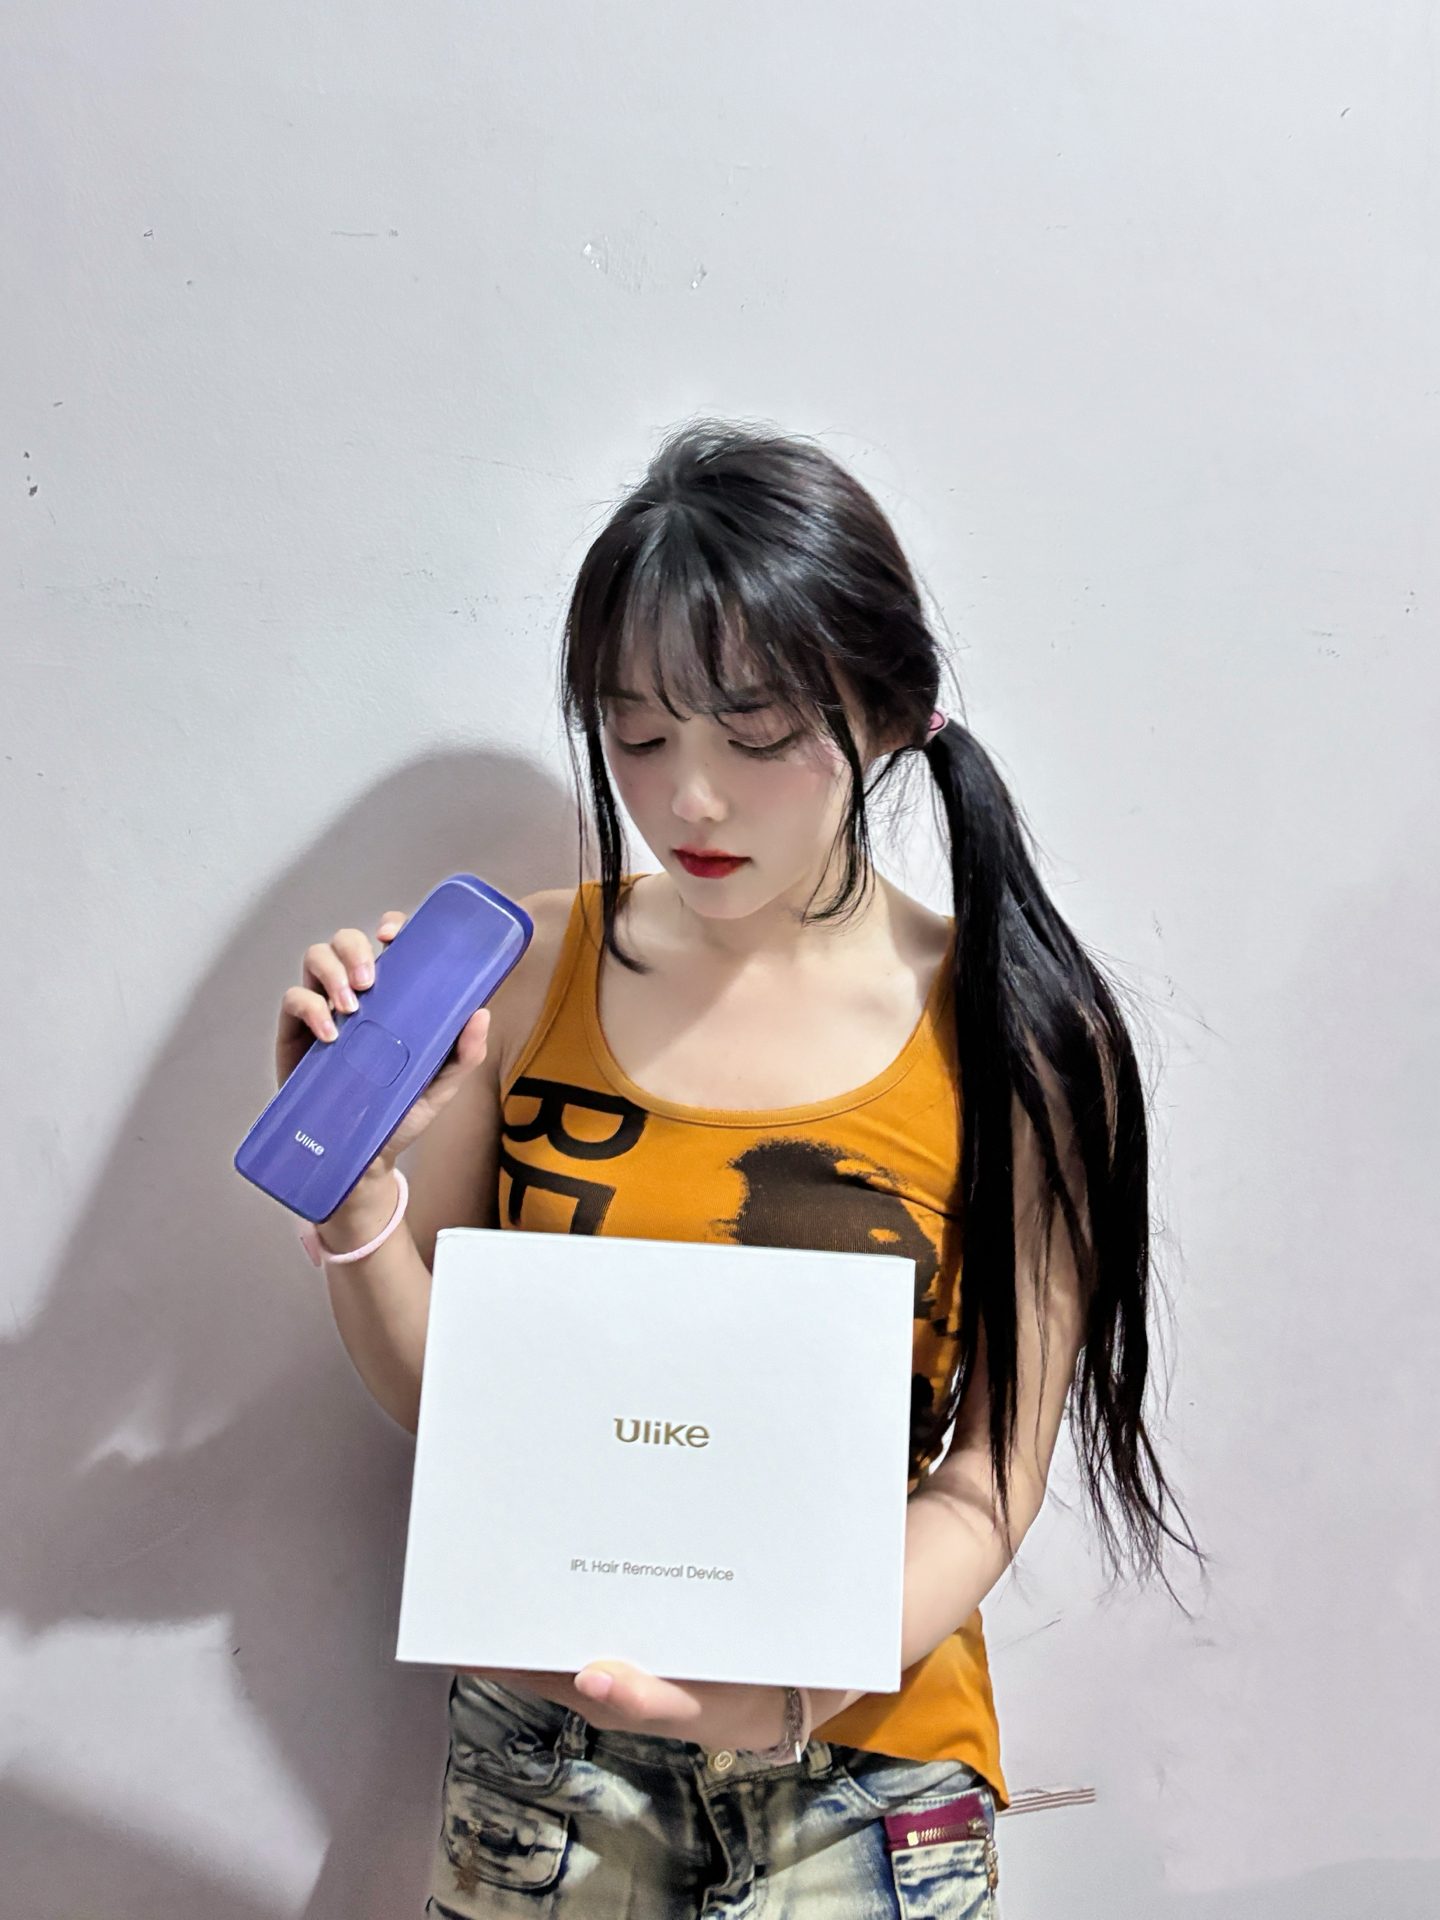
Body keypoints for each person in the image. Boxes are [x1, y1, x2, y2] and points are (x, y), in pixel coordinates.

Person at [273, 424, 1191, 1917]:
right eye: (637, 737)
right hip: (547, 1770)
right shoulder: (527, 969)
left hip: (868, 1772)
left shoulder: (1017, 1031)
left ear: (882, 713)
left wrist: (784, 1694)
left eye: (753, 735)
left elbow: (993, 1474)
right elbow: (456, 1405)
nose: (688, 799)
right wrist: (360, 1198)